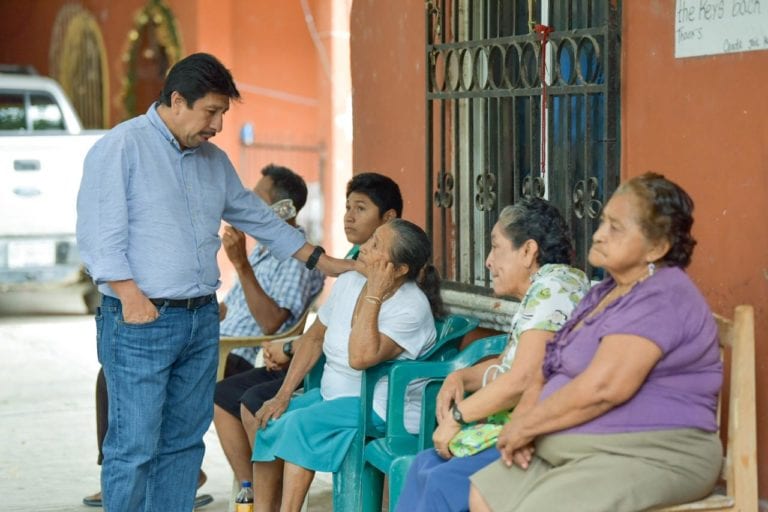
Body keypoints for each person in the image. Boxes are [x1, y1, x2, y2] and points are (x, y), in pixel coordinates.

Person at [76, 53, 351, 512]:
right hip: (140, 320)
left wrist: (321, 260)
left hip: (200, 320)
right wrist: (129, 295)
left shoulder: (213, 161)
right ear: (177, 100)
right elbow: (99, 233)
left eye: (223, 113)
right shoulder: (121, 148)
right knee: (136, 446)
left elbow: (255, 216)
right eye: (211, 112)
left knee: (184, 444)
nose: (218, 125)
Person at [468, 173, 723, 512]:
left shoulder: (662, 295)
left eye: (616, 228)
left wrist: (528, 425)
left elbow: (606, 386)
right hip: (579, 445)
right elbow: (549, 364)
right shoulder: (604, 292)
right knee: (486, 494)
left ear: (657, 247)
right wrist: (523, 423)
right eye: (603, 222)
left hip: (653, 452)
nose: (600, 235)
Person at [81, 163, 324, 508]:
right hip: (216, 337)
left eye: (257, 199)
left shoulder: (294, 258)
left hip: (242, 352)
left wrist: (240, 265)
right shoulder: (262, 252)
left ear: (283, 209)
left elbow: (271, 323)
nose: (248, 206)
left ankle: (168, 475)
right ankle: (131, 474)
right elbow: (233, 309)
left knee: (139, 377)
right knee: (114, 373)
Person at [396, 198, 590, 512]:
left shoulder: (552, 290)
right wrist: (461, 376)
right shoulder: (553, 285)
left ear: (528, 251)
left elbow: (523, 379)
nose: (488, 261)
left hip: (537, 435)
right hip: (523, 426)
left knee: (441, 482)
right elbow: (510, 363)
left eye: (496, 247)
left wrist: (458, 418)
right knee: (424, 465)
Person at [213, 171, 403, 488]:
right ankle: (253, 496)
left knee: (264, 408)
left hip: (342, 381)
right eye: (347, 208)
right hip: (306, 361)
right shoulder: (352, 262)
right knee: (245, 400)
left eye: (360, 208)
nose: (348, 217)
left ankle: (258, 497)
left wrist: (288, 349)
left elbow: (284, 326)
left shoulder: (390, 271)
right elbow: (321, 329)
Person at [251, 219, 442, 511]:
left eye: (376, 245)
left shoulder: (411, 307)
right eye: (371, 239)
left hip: (378, 407)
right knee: (269, 419)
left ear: (400, 269)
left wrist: (375, 293)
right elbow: (313, 338)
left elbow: (360, 358)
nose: (363, 247)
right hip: (335, 397)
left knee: (299, 425)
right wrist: (284, 393)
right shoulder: (351, 281)